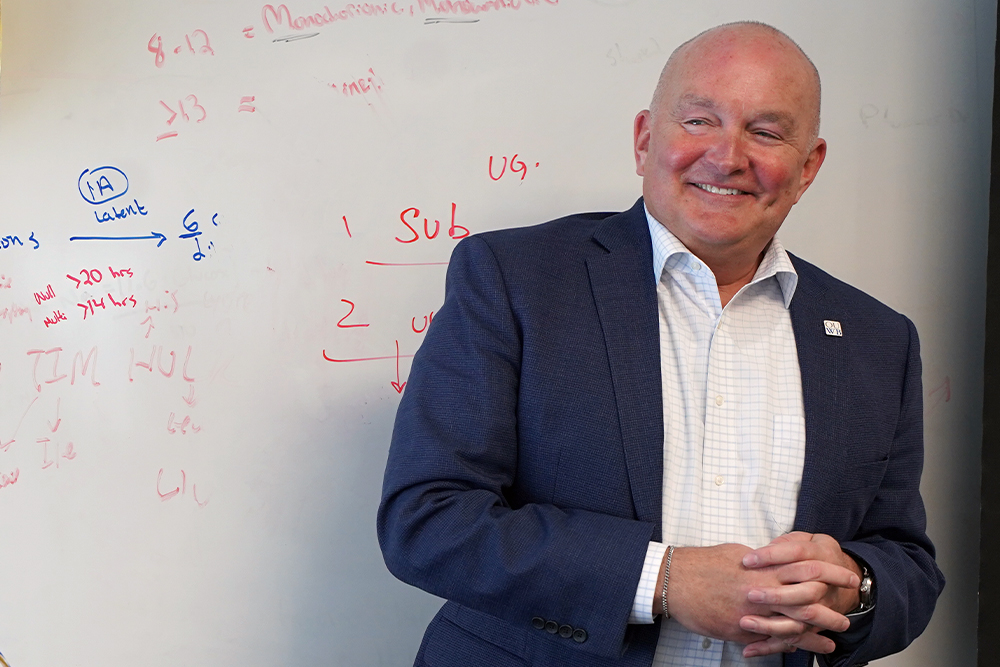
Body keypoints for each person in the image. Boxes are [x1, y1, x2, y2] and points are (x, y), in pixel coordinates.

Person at [378, 21, 944, 667]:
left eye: (765, 132)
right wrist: (663, 579)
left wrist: (852, 589)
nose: (727, 157)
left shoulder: (878, 338)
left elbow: (906, 564)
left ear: (808, 166)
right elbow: (429, 520)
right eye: (699, 121)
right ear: (646, 138)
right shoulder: (515, 279)